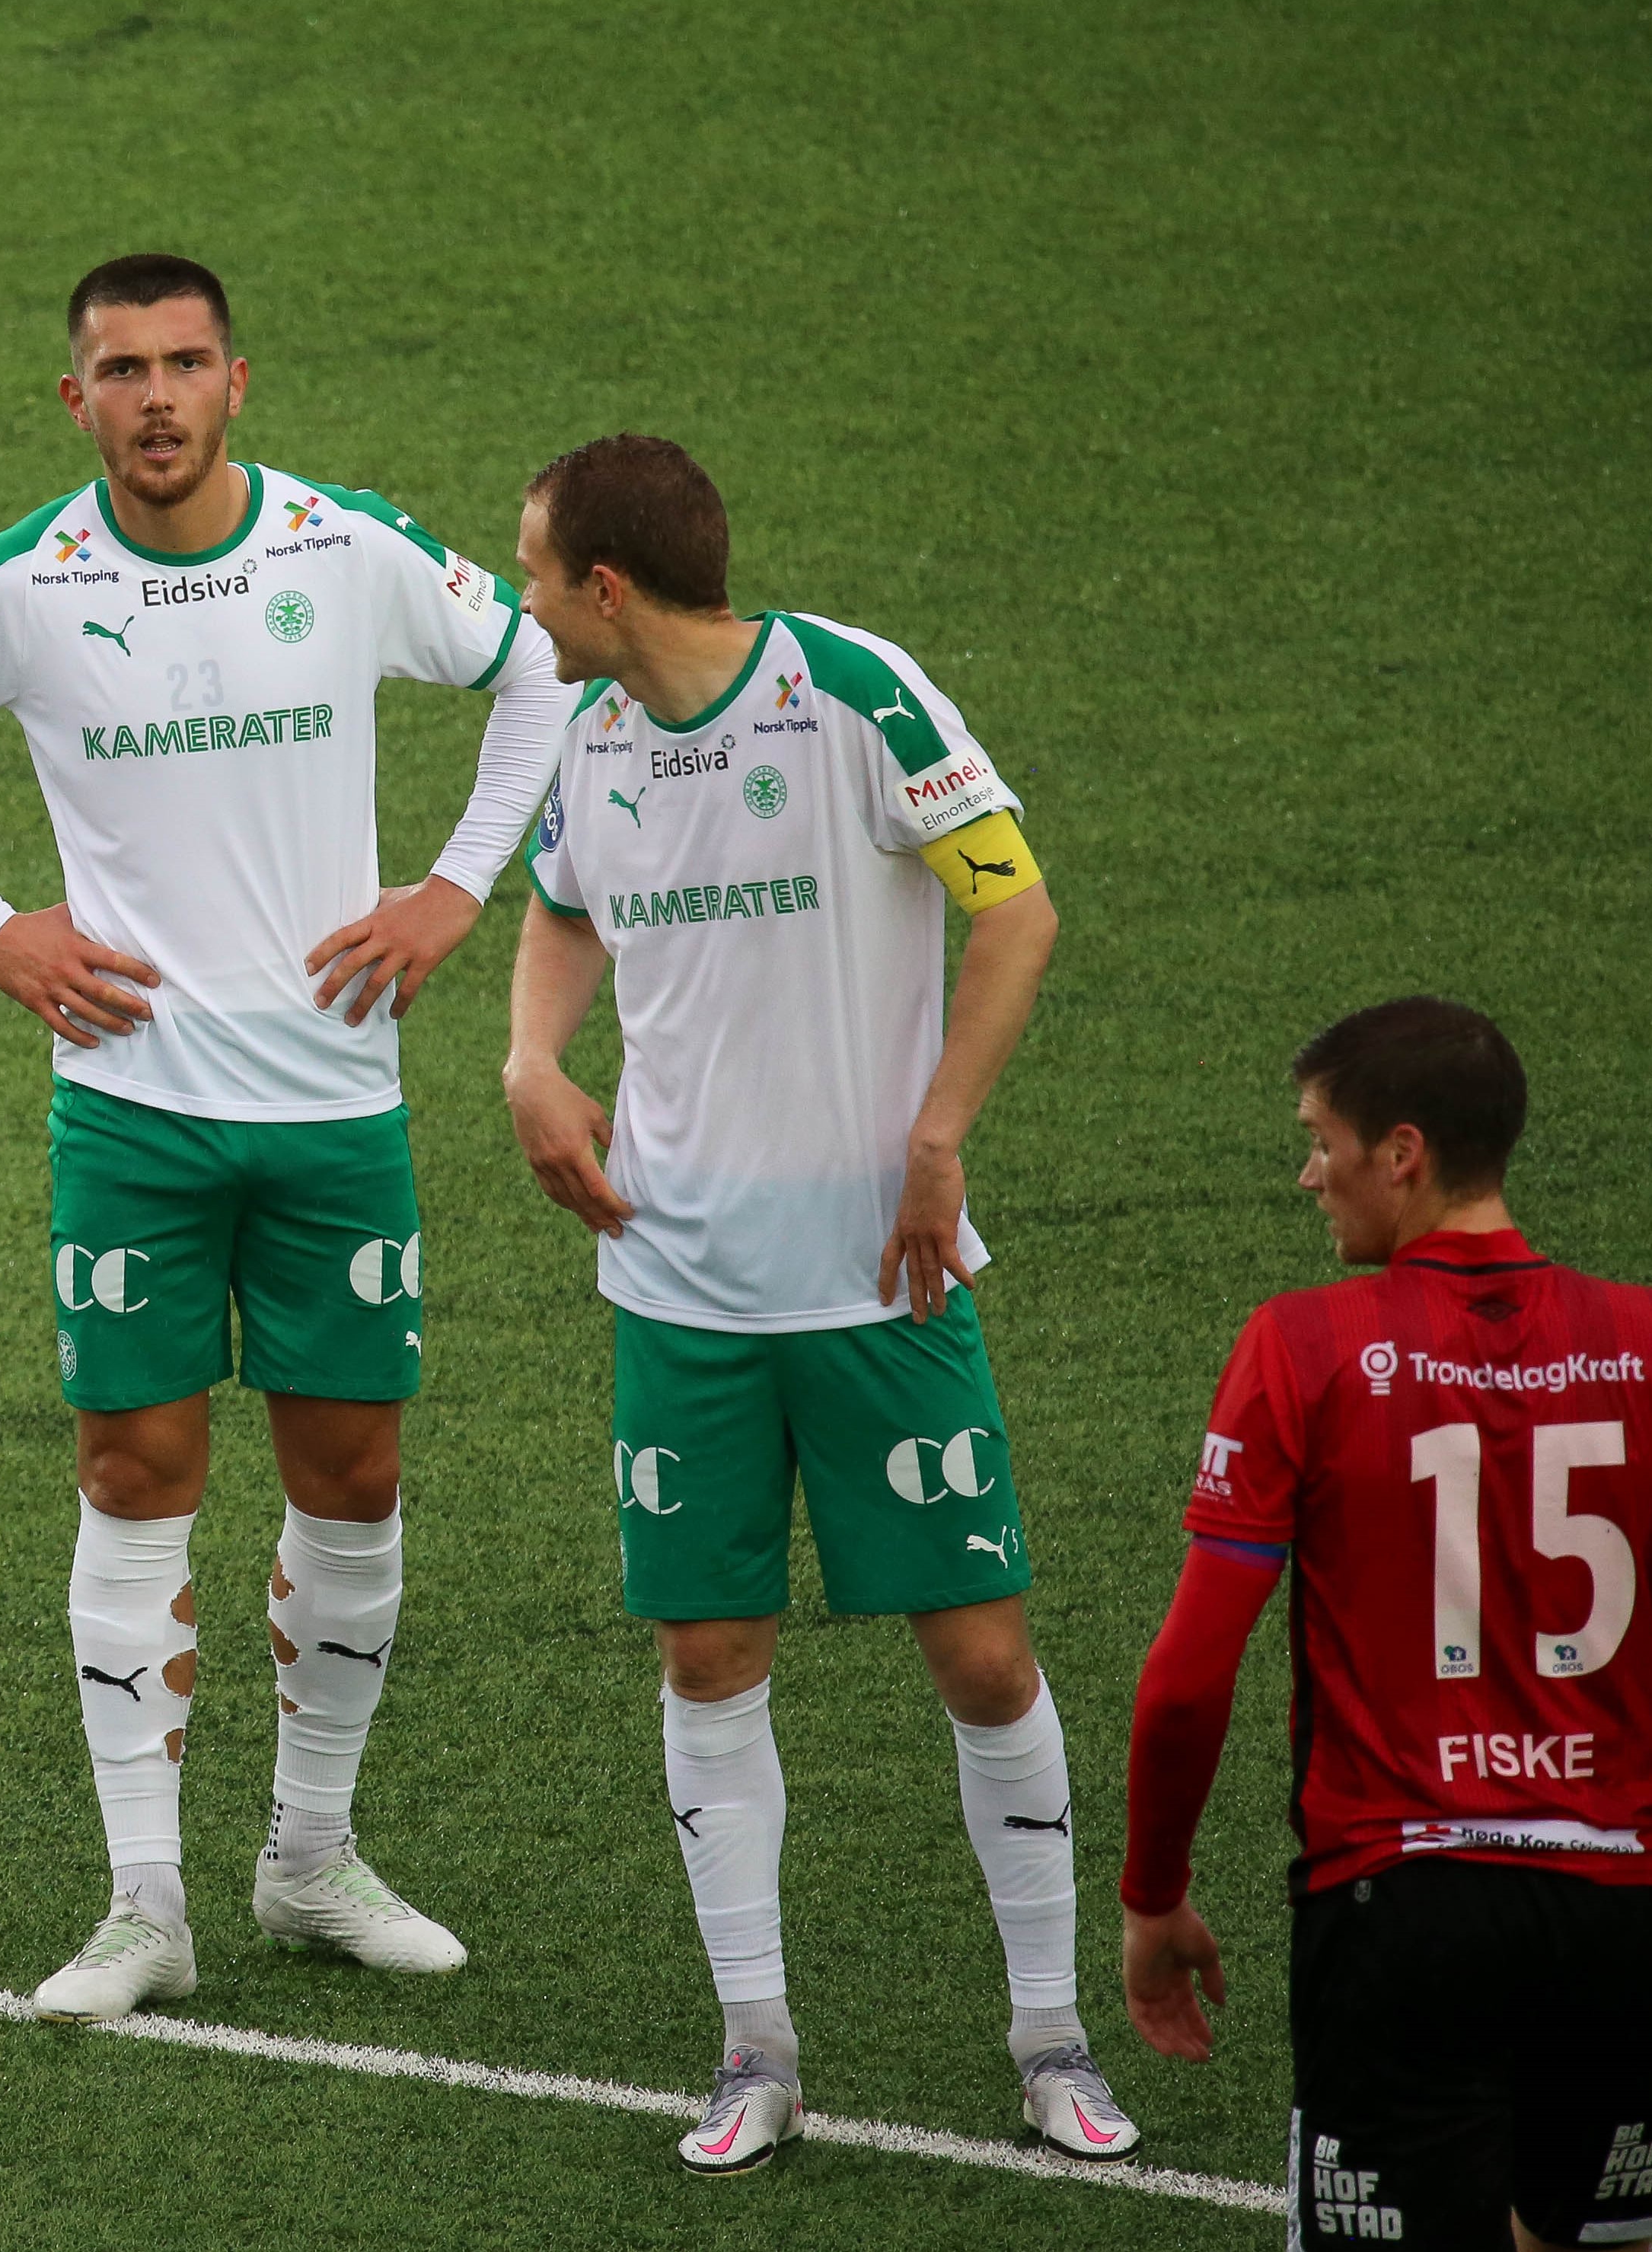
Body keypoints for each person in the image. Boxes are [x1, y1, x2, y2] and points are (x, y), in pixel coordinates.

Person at [0, 252, 570, 2019]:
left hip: (332, 1108)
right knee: (133, 1476)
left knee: (354, 1476)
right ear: (72, 400)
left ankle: (309, 1861)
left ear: (241, 382)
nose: (154, 397)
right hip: (133, 1113)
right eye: (119, 371)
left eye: (183, 364)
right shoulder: (19, 585)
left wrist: (459, 889)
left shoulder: (345, 548)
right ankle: (144, 1902)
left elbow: (534, 672)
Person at [500, 432, 1124, 2170]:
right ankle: (756, 2045)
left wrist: (939, 1138)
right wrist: (532, 1059)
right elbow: (559, 915)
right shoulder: (594, 740)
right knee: (710, 1654)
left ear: (606, 587)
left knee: (983, 1654)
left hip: (880, 1279)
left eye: (536, 567)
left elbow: (1017, 909)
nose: (521, 595)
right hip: (680, 1288)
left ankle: (1050, 2033)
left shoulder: (849, 693)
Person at [1124, 998, 1652, 2249]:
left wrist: (1154, 1890)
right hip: (1615, 1903)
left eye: (1321, 1139)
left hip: (1400, 1904)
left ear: (1403, 1153)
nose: (1307, 1171)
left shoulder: (1302, 1345)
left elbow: (1185, 1678)